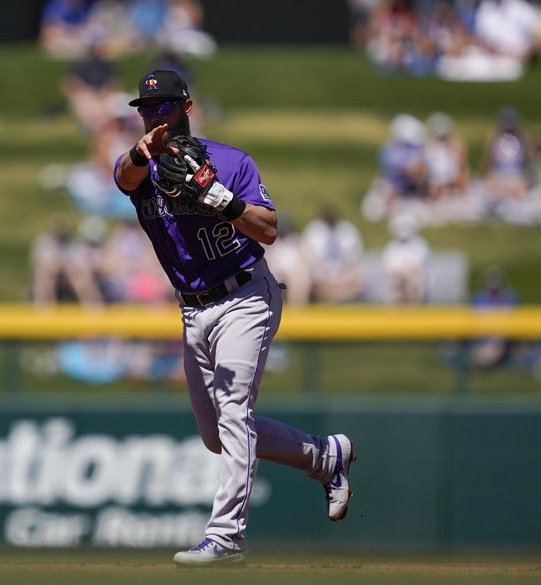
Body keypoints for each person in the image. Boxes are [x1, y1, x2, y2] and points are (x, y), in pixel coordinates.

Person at [113, 70, 356, 566]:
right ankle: (324, 456)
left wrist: (221, 198)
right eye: (147, 109)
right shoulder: (145, 169)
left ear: (187, 108)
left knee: (233, 415)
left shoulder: (229, 161)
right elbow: (122, 176)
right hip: (192, 308)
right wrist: (143, 151)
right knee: (216, 435)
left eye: (164, 108)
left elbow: (267, 230)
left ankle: (226, 538)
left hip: (245, 295)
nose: (155, 117)